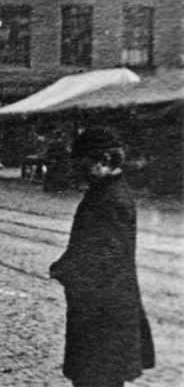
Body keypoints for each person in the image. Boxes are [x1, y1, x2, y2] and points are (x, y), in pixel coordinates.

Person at [50, 127, 155, 387]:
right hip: (103, 313)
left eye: (84, 165)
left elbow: (104, 257)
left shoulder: (109, 199)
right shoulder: (107, 192)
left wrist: (64, 269)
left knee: (97, 379)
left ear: (105, 161)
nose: (79, 172)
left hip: (104, 317)